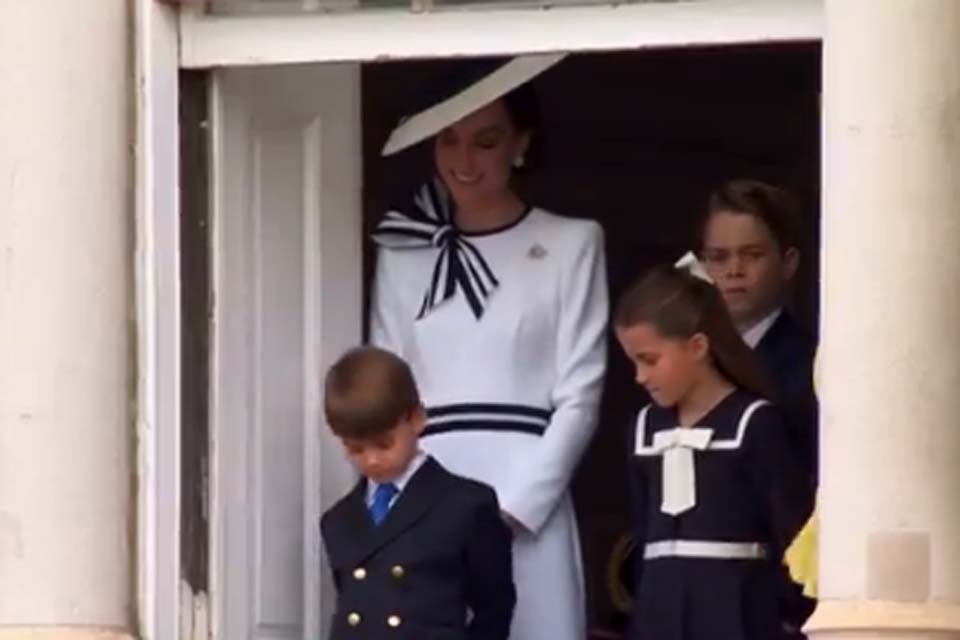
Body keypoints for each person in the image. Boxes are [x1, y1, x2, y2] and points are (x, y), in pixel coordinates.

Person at [370, 54, 608, 640]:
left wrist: (515, 510)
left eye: (485, 141)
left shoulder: (572, 242)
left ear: (521, 144)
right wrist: (407, 506)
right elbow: (383, 391)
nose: (463, 160)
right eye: (448, 140)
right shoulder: (402, 251)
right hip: (428, 490)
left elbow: (580, 394)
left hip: (528, 498)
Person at [615, 260, 812, 640]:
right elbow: (642, 530)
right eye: (634, 362)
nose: (640, 377)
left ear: (698, 347)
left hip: (737, 612)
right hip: (660, 614)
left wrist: (788, 614)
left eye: (650, 360)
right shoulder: (644, 428)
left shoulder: (755, 423)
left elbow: (789, 533)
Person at [320, 346, 516, 640]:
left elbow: (495, 609)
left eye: (384, 444)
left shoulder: (466, 506)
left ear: (416, 419)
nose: (371, 459)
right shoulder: (339, 520)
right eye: (355, 448)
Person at [697, 179, 818, 482]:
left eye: (752, 254)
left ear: (788, 263)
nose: (734, 270)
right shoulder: (688, 358)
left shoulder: (813, 365)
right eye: (719, 257)